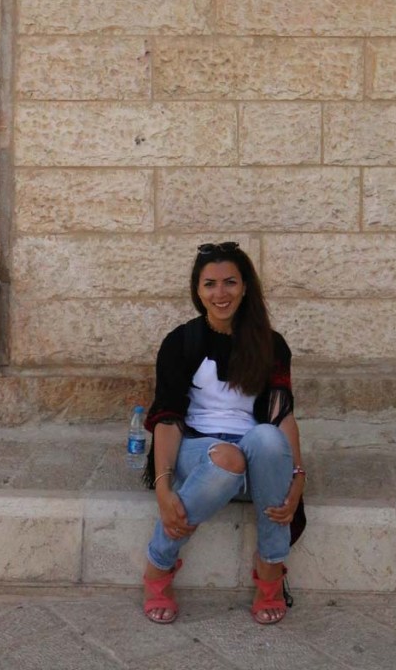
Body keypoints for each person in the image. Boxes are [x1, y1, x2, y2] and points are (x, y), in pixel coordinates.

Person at [141, 241, 306, 626]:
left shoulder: (271, 344)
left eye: (230, 282)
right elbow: (167, 418)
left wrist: (298, 476)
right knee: (226, 458)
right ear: (197, 291)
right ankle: (158, 566)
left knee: (265, 438)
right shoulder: (181, 342)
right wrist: (164, 486)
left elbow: (282, 415)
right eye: (210, 284)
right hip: (198, 453)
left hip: (256, 462)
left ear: (245, 286)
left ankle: (270, 571)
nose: (220, 293)